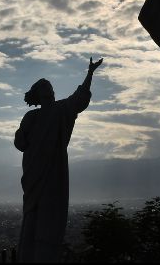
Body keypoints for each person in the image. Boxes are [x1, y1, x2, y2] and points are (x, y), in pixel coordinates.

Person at [14, 57, 104, 262]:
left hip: (53, 173)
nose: (51, 90)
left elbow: (79, 99)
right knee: (32, 220)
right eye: (46, 87)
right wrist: (23, 135)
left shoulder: (61, 110)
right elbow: (20, 143)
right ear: (39, 94)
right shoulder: (31, 117)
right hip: (33, 175)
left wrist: (90, 74)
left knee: (49, 220)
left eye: (51, 87)